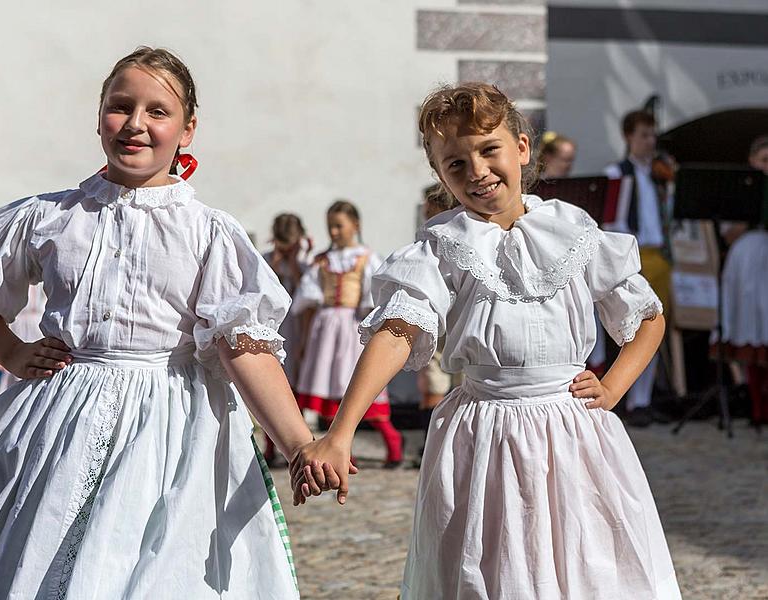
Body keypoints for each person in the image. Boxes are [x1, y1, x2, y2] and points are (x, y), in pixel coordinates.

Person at [0, 47, 322, 599]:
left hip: (171, 424)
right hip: (64, 418)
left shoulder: (209, 232)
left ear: (188, 130)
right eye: (121, 107)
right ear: (99, 119)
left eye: (158, 111)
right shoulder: (53, 215)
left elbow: (245, 346)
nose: (136, 124)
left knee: (152, 565)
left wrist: (299, 443)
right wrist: (12, 352)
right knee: (41, 554)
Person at [292, 83, 681, 599]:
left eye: (488, 150)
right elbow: (397, 331)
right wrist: (341, 431)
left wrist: (612, 388)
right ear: (439, 175)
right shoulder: (443, 244)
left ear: (522, 148)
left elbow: (647, 317)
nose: (476, 171)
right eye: (455, 163)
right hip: (485, 432)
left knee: (586, 562)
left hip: (572, 431)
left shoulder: (574, 230)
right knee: (493, 566)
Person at [293, 201, 403, 467]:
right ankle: (343, 452)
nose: (333, 232)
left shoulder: (366, 258)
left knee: (358, 383)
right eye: (330, 226)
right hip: (327, 328)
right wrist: (306, 340)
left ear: (355, 225)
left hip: (354, 327)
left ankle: (393, 446)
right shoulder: (322, 261)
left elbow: (375, 298)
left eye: (339, 225)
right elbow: (307, 299)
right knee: (330, 384)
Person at [604, 110, 674, 427]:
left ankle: (643, 400)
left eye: (652, 135)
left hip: (659, 254)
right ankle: (626, 396)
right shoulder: (617, 173)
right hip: (633, 255)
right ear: (629, 137)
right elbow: (612, 222)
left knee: (655, 329)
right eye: (644, 135)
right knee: (633, 328)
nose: (650, 141)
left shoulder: (660, 174)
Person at [719, 134, 768, 427]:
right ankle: (756, 406)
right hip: (749, 261)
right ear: (752, 162)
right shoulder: (739, 189)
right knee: (750, 325)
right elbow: (728, 233)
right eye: (764, 160)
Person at [262, 213, 312, 465]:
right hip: (272, 327)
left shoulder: (304, 267)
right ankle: (270, 447)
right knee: (269, 386)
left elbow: (308, 295)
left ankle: (295, 444)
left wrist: (293, 265)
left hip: (294, 330)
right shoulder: (265, 261)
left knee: (293, 389)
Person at [415, 184, 459, 466]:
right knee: (433, 384)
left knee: (464, 384)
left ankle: (455, 446)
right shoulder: (425, 244)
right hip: (437, 324)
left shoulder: (462, 240)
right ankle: (430, 445)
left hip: (462, 324)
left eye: (432, 214)